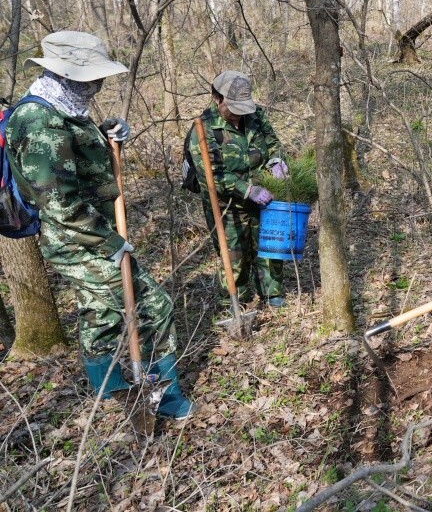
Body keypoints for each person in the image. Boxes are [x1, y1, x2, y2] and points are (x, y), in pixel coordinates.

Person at [6, 31, 194, 419]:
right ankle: (164, 399)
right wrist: (111, 243)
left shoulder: (64, 104)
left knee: (100, 314)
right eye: (91, 77)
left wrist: (108, 135)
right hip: (78, 241)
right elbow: (60, 203)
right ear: (64, 73)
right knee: (153, 307)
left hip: (91, 233)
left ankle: (108, 394)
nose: (97, 85)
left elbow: (79, 161)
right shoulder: (39, 120)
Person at [186, 71, 287, 308]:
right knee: (234, 255)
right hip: (227, 204)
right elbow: (211, 175)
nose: (239, 113)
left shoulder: (256, 115)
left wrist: (276, 160)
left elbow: (272, 142)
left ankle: (271, 292)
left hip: (264, 197)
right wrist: (246, 190)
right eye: (234, 108)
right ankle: (235, 300)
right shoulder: (203, 129)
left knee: (268, 246)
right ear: (217, 98)